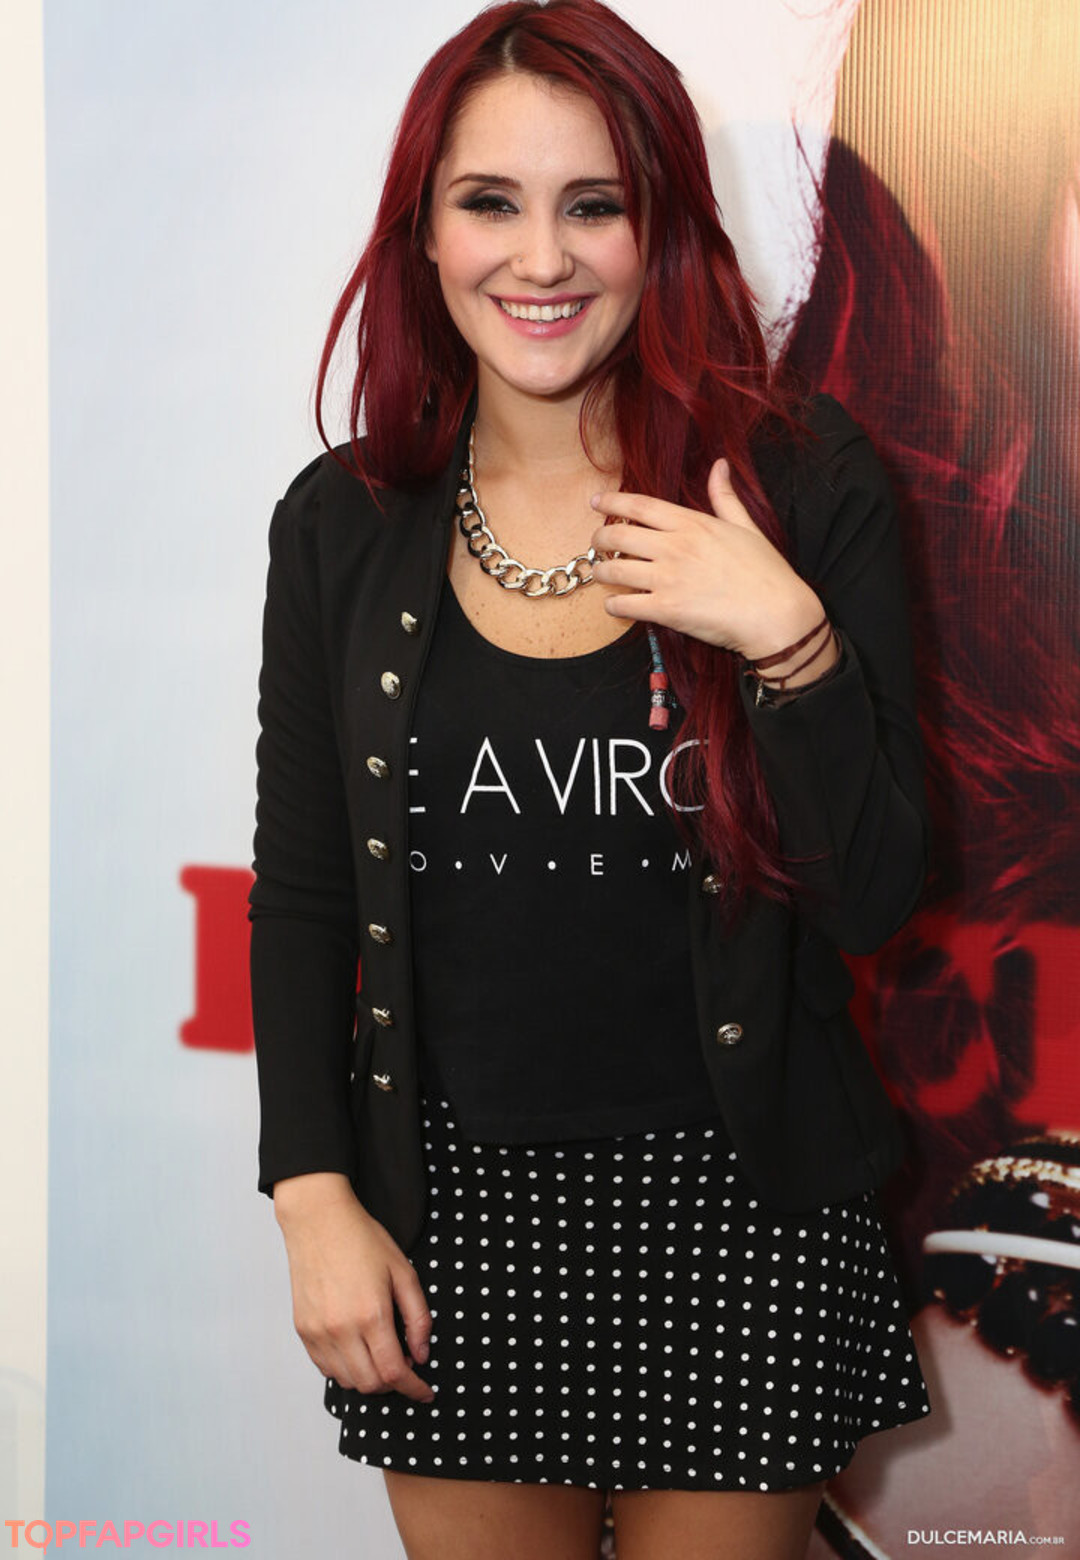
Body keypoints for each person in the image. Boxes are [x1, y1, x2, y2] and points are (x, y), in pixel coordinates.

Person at [248, 4, 932, 1557]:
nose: (541, 259)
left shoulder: (802, 481)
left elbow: (877, 897)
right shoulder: (344, 524)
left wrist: (791, 642)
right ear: (425, 232)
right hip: (451, 1227)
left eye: (595, 205)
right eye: (490, 202)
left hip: (749, 1222)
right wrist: (312, 1197)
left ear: (661, 226)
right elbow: (303, 899)